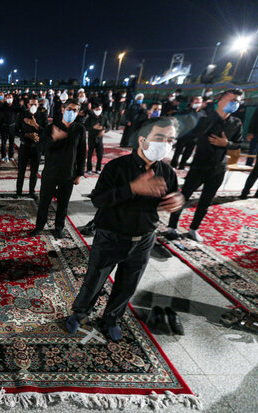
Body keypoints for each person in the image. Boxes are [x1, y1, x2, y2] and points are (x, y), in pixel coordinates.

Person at [67, 117, 183, 341]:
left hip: (144, 239)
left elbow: (171, 199)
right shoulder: (116, 168)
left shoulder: (167, 172)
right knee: (94, 281)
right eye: (159, 138)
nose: (165, 144)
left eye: (170, 140)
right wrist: (132, 188)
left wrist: (177, 201)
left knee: (128, 284)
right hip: (111, 236)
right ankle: (79, 314)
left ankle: (111, 319)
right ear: (143, 140)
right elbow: (99, 200)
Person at [165, 89, 244, 242]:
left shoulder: (236, 123)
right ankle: (172, 227)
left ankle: (194, 229)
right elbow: (193, 136)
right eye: (231, 99)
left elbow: (238, 143)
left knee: (206, 201)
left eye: (237, 100)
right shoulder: (205, 118)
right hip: (200, 165)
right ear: (220, 99)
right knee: (183, 196)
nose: (234, 102)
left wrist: (226, 143)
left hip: (219, 167)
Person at [30, 99, 86, 238]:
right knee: (44, 201)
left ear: (78, 112)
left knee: (63, 203)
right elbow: (40, 148)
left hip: (68, 174)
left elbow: (81, 153)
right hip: (50, 172)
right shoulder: (51, 128)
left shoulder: (79, 129)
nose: (71, 112)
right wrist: (53, 138)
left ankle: (59, 228)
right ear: (63, 109)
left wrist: (79, 174)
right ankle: (39, 226)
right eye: (69, 109)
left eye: (75, 110)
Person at [16, 97, 48, 200]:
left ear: (38, 105)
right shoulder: (22, 115)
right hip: (24, 145)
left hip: (37, 148)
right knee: (21, 170)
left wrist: (36, 125)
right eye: (31, 104)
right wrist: (26, 134)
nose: (33, 106)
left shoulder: (42, 115)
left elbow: (46, 131)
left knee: (34, 172)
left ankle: (32, 191)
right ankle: (18, 191)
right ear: (28, 105)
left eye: (35, 104)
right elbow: (15, 130)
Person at [170, 96, 206, 169]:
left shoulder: (203, 114)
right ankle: (173, 164)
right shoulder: (185, 112)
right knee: (178, 151)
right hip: (184, 135)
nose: (197, 103)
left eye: (199, 102)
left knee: (188, 153)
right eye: (196, 102)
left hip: (194, 137)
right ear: (192, 103)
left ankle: (182, 165)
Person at [85, 102, 110, 174]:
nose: (98, 110)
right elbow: (85, 127)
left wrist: (104, 131)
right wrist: (93, 127)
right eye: (96, 109)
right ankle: (89, 169)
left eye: (99, 109)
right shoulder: (90, 118)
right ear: (93, 110)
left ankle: (98, 169)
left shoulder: (104, 117)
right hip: (91, 138)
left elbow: (108, 127)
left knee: (100, 154)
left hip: (99, 139)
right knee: (89, 154)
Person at [0, 93, 19, 162]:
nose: (9, 99)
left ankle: (11, 155)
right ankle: (3, 155)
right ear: (5, 98)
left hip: (12, 126)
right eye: (8, 97)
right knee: (3, 142)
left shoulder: (15, 106)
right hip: (4, 126)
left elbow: (21, 110)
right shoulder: (3, 105)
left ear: (13, 98)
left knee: (11, 142)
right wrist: (0, 103)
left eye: (10, 97)